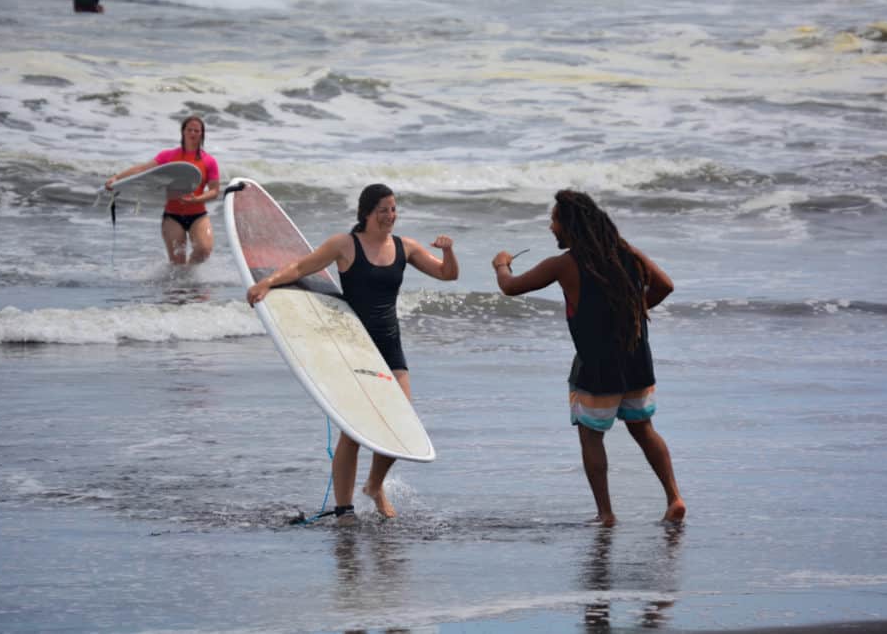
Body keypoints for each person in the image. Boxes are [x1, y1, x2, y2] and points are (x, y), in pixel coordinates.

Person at [246, 183, 459, 519]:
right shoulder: (345, 245)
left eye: (393, 208)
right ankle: (344, 508)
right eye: (383, 210)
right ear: (366, 213)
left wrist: (448, 251)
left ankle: (374, 486)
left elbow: (447, 275)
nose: (391, 215)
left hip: (390, 346)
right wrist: (267, 283)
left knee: (400, 423)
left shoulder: (405, 247)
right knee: (354, 429)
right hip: (354, 347)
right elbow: (302, 267)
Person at [491, 189, 685, 527]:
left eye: (554, 221)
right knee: (644, 429)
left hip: (597, 365)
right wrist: (636, 311)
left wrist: (501, 264)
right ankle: (674, 497)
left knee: (591, 436)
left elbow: (511, 287)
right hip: (636, 358)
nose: (551, 228)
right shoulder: (625, 252)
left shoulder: (564, 264)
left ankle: (605, 514)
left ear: (569, 225)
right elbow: (665, 285)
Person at [105, 116, 220, 264]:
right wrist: (116, 177)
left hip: (198, 215)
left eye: (197, 130)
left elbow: (214, 191)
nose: (193, 133)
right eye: (189, 129)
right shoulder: (169, 156)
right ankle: (180, 283)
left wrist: (196, 199)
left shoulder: (209, 161)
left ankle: (189, 278)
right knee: (177, 262)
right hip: (173, 216)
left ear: (202, 134)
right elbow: (142, 169)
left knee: (204, 250)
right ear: (183, 132)